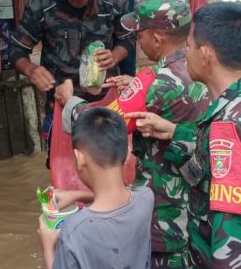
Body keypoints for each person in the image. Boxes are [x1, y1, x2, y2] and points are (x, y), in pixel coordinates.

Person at [126, 2, 241, 268]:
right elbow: (208, 175)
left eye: (189, 47)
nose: (185, 54)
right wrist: (174, 133)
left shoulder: (232, 129)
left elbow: (237, 245)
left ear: (205, 54)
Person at [54, 0, 210, 268]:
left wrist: (69, 101)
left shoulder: (158, 82)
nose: (137, 41)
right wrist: (136, 84)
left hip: (165, 222)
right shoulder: (198, 69)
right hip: (197, 216)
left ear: (158, 38)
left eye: (140, 33)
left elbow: (103, 124)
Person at [8, 0, 133, 168]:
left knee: (113, 167)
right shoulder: (41, 5)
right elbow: (17, 50)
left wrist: (114, 55)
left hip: (107, 104)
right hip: (62, 104)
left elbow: (128, 39)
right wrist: (31, 70)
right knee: (65, 168)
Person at [37, 107, 154, 269]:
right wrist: (77, 195)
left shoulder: (73, 231)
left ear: (79, 158)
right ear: (127, 154)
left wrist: (48, 248)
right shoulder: (146, 198)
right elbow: (116, 201)